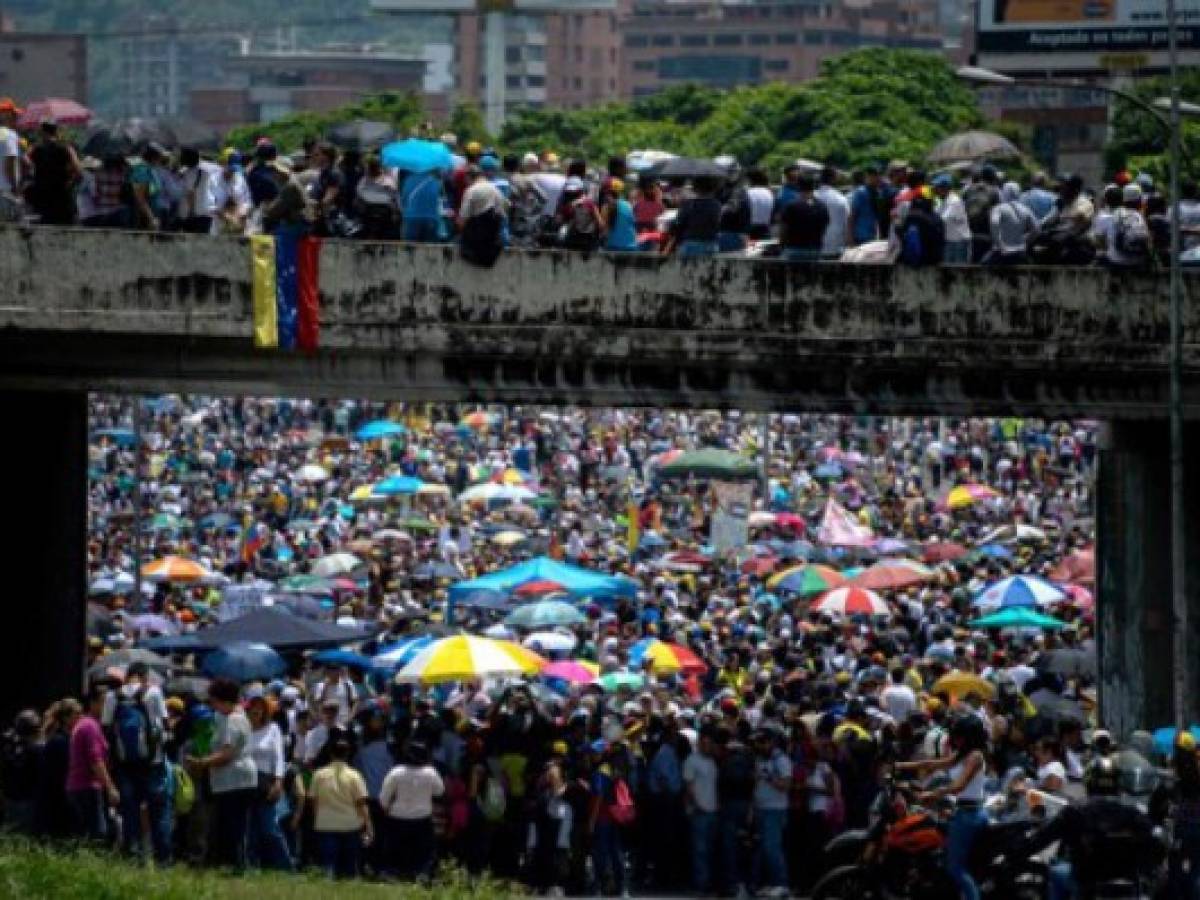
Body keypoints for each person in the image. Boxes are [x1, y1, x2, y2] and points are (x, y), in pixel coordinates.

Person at [899, 714, 989, 900]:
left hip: (969, 815)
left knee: (955, 868)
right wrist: (899, 766)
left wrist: (932, 794)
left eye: (959, 735)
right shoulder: (962, 753)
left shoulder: (975, 756)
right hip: (961, 812)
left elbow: (958, 786)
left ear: (970, 736)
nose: (955, 739)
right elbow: (931, 763)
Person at [104, 661, 172, 864]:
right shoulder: (154, 692)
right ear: (144, 676)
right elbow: (165, 723)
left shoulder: (112, 696)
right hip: (154, 762)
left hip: (125, 765)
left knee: (130, 812)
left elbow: (106, 728)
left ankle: (132, 859)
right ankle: (163, 861)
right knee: (159, 813)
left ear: (127, 675)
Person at [188, 678, 257, 870]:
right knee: (231, 826)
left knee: (233, 827)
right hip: (233, 780)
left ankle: (236, 867)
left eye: (214, 702)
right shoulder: (233, 717)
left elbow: (226, 754)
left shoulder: (233, 720)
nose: (213, 706)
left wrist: (202, 763)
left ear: (224, 701)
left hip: (235, 780)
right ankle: (233, 865)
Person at [245, 687, 293, 871]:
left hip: (266, 782)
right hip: (246, 782)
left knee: (270, 828)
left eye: (260, 706)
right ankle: (252, 866)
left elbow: (279, 757)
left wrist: (278, 781)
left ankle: (286, 866)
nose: (256, 710)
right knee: (250, 830)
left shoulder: (273, 729)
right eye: (253, 706)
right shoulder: (243, 729)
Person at [311, 737, 372, 879]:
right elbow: (361, 803)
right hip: (350, 825)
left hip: (325, 825)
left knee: (328, 866)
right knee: (350, 867)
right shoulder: (354, 775)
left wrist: (316, 819)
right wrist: (368, 825)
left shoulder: (319, 775)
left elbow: (314, 801)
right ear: (347, 754)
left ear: (330, 754)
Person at [66, 686, 117, 843]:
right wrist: (110, 788)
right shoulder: (90, 726)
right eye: (104, 702)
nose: (109, 707)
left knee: (87, 836)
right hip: (86, 787)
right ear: (93, 703)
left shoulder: (87, 724)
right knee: (97, 837)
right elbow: (96, 761)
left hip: (80, 787)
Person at [751, 728, 792, 898]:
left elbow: (786, 785)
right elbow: (755, 783)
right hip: (760, 808)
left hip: (775, 810)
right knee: (762, 848)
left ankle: (781, 884)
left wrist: (769, 778)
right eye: (757, 742)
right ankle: (766, 883)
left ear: (770, 742)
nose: (758, 745)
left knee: (772, 848)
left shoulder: (781, 760)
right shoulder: (760, 759)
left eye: (761, 742)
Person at [683, 726, 720, 896]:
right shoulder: (691, 761)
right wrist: (696, 806)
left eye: (709, 744)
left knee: (711, 849)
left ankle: (710, 883)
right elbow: (689, 787)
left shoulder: (713, 761)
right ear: (698, 744)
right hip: (699, 812)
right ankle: (701, 885)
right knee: (700, 850)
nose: (707, 746)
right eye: (703, 743)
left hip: (713, 811)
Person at [27, 119, 79, 225]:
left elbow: (25, 162)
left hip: (42, 197)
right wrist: (70, 181)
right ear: (56, 132)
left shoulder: (35, 149)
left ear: (42, 132)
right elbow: (77, 169)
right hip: (62, 197)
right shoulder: (66, 148)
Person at [666, 176, 722, 258]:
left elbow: (678, 225)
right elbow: (717, 224)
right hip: (711, 244)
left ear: (695, 188)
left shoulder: (688, 204)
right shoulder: (716, 205)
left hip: (690, 245)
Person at [779, 173, 829, 262]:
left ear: (798, 186)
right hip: (815, 249)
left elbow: (783, 229)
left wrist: (782, 245)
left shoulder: (791, 206)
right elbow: (824, 228)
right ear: (814, 186)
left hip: (794, 249)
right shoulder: (822, 206)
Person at [987, 181, 1039, 265]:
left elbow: (994, 224)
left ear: (1004, 193)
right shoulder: (1025, 209)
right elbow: (1037, 229)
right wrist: (1025, 240)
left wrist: (1000, 245)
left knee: (982, 265)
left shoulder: (998, 208)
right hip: (1020, 252)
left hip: (1001, 253)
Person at [962, 165, 1001, 263]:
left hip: (969, 234)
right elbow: (998, 215)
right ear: (993, 177)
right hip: (987, 235)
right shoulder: (994, 191)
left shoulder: (968, 190)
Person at [176, 147, 215, 235]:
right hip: (205, 211)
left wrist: (191, 212)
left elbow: (191, 193)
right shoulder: (205, 171)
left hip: (194, 214)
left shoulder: (190, 173)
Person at [933, 174, 971, 264]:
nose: (935, 190)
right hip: (950, 240)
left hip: (958, 241)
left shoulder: (954, 201)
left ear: (945, 188)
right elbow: (935, 214)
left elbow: (943, 219)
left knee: (959, 270)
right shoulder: (943, 201)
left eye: (937, 188)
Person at [815, 165, 850, 259]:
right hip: (836, 246)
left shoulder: (812, 197)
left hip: (814, 247)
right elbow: (847, 223)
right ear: (833, 179)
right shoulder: (841, 199)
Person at [0, 98, 23, 222]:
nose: (16, 119)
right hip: (6, 192)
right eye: (14, 115)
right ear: (6, 115)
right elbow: (9, 165)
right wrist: (16, 190)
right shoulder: (10, 135)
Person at [848, 166, 883, 246]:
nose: (877, 178)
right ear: (868, 177)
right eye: (874, 175)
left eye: (878, 175)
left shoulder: (879, 193)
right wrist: (850, 237)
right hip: (860, 237)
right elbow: (852, 216)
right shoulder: (860, 192)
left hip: (874, 237)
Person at [603, 179, 638, 252]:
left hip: (613, 246)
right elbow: (633, 223)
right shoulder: (628, 205)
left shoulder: (606, 207)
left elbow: (604, 228)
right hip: (630, 245)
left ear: (608, 193)